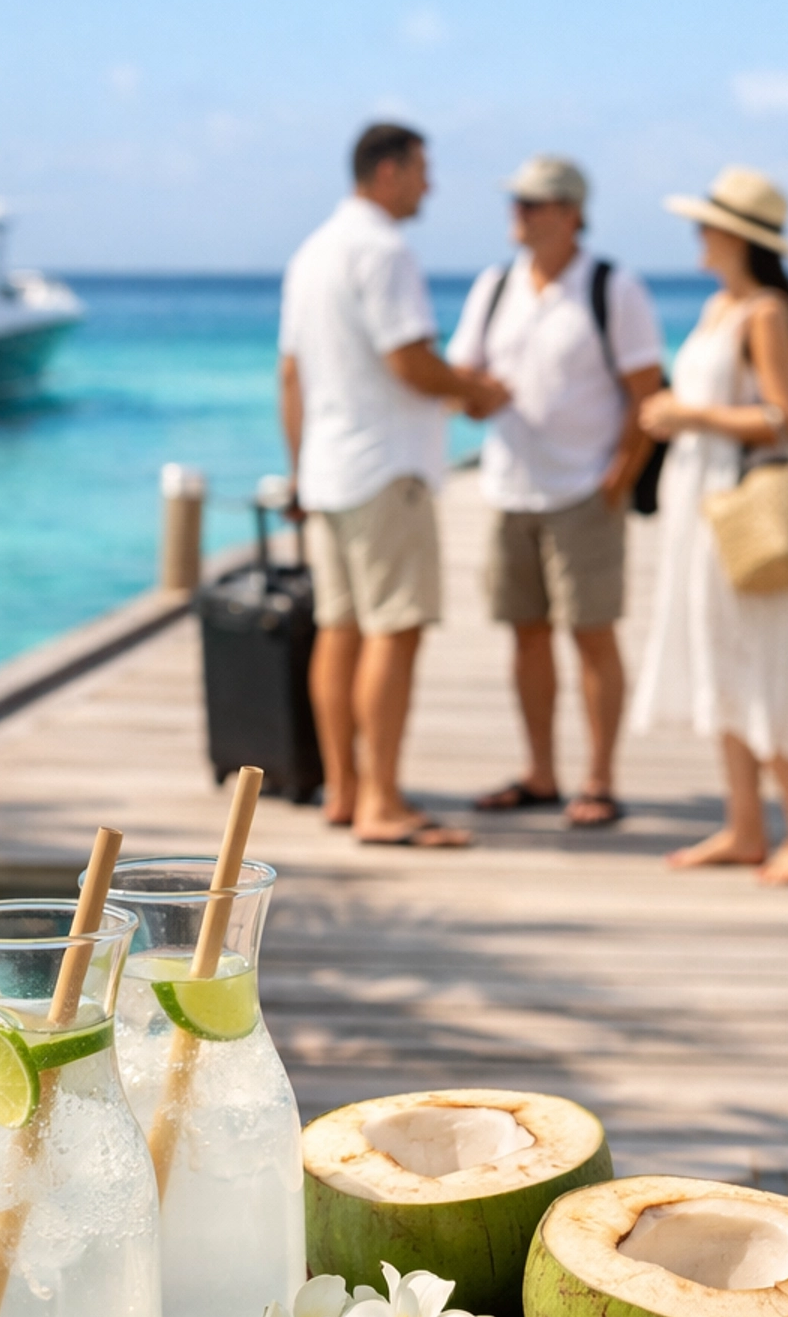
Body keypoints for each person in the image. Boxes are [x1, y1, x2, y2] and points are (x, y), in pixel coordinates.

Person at [279, 122, 509, 847]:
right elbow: (411, 361)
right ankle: (382, 801)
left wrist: (299, 470)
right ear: (387, 172)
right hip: (387, 468)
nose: (429, 185)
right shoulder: (384, 249)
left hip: (329, 468)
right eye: (420, 171)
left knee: (338, 631)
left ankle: (344, 791)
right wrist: (477, 392)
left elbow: (291, 375)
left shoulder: (311, 252)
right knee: (394, 630)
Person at [630, 166, 788, 886]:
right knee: (720, 654)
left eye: (706, 225)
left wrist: (688, 415)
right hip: (703, 503)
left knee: (757, 660)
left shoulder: (765, 311)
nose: (696, 235)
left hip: (741, 507)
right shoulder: (723, 306)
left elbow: (784, 418)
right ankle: (746, 823)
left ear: (733, 237)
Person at [449, 154, 664, 827]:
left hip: (584, 492)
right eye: (515, 200)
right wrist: (478, 397)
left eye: (534, 202)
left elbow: (647, 393)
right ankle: (541, 772)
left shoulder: (612, 286)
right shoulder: (493, 285)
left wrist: (618, 476)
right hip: (509, 487)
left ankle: (598, 777)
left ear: (571, 212)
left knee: (593, 633)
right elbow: (466, 385)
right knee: (526, 633)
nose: (519, 212)